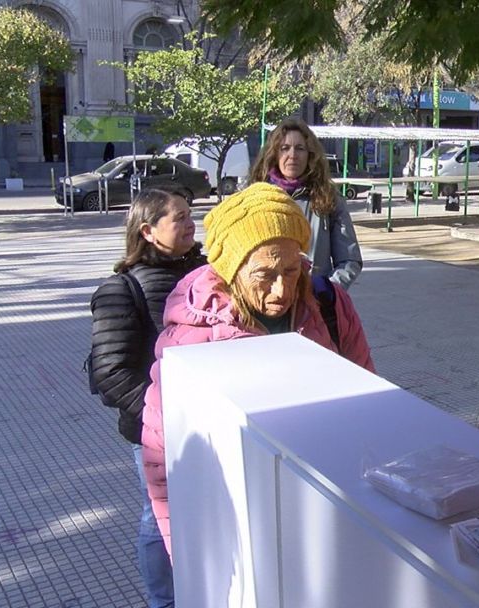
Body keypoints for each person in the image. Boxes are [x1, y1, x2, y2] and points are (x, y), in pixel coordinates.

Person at [140, 182, 375, 557]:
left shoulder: (329, 304)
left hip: (318, 507)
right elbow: (162, 455)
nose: (281, 290)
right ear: (232, 269)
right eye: (264, 275)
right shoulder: (191, 334)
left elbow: (367, 403)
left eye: (291, 269)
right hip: (239, 517)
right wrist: (186, 556)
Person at [89, 186, 207, 608]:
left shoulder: (210, 276)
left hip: (213, 424)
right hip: (158, 432)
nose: (192, 222)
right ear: (148, 230)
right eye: (179, 217)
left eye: (191, 214)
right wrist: (163, 417)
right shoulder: (120, 290)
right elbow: (111, 371)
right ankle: (165, 601)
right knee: (161, 521)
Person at [249, 118, 364, 290]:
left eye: (300, 148)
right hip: (267, 301)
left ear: (310, 154)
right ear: (274, 153)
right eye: (285, 148)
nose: (293, 155)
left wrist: (327, 290)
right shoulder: (255, 197)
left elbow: (350, 260)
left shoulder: (328, 197)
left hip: (314, 306)